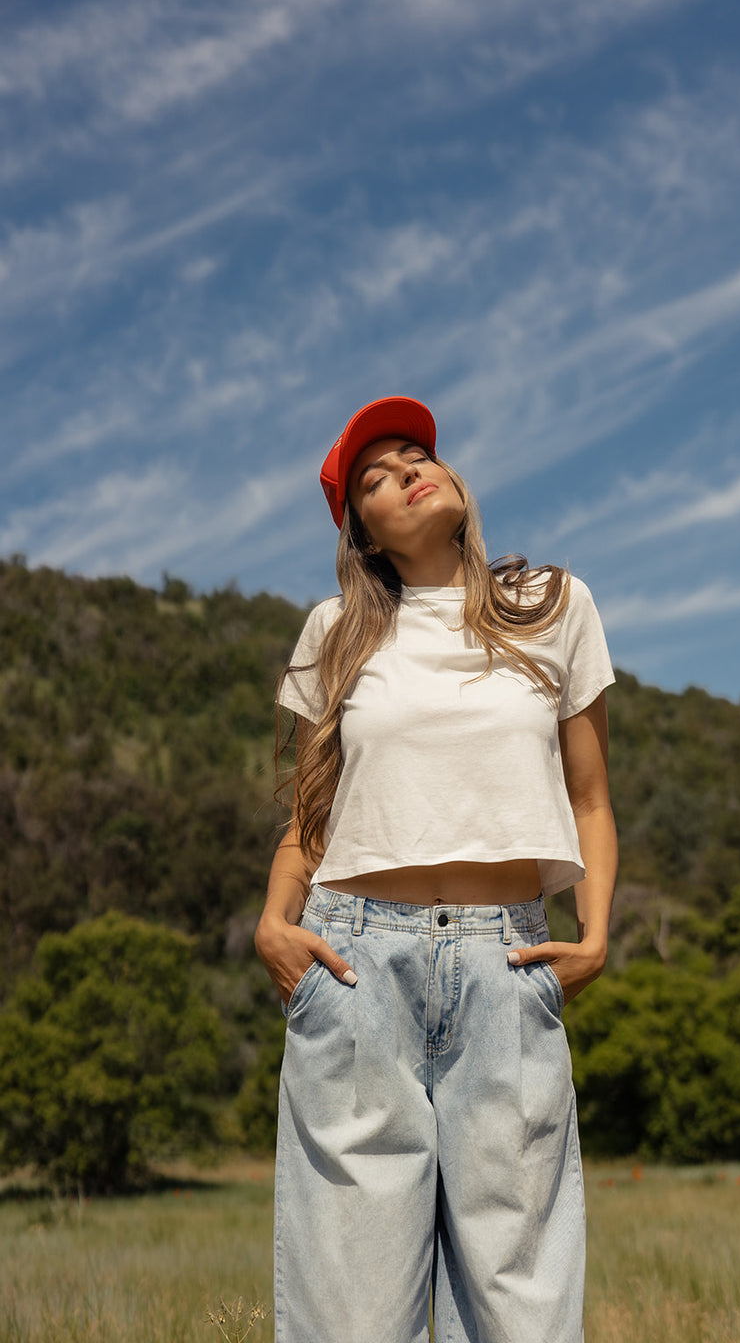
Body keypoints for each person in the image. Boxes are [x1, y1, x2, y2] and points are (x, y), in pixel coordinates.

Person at [254, 395, 617, 1343]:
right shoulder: (336, 630)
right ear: (361, 533)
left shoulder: (554, 606)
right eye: (377, 476)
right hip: (355, 967)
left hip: (511, 965)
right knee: (352, 1310)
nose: (409, 471)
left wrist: (597, 936)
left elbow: (591, 799)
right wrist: (272, 920)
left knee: (522, 1307)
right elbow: (311, 810)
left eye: (416, 454)